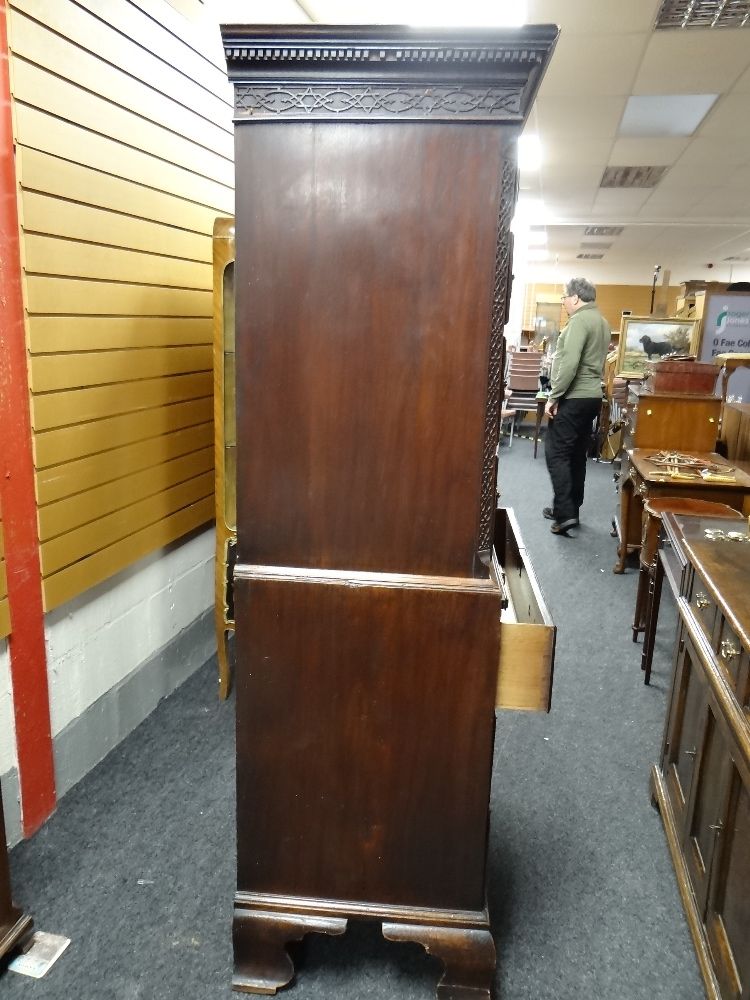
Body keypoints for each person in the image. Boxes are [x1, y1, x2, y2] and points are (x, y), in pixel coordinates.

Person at [543, 277, 610, 535]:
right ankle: (571, 508)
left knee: (556, 452)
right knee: (575, 455)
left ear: (575, 298)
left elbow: (569, 363)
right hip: (592, 397)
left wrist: (554, 396)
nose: (563, 303)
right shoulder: (602, 322)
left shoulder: (579, 321)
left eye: (563, 298)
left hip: (574, 396)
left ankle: (565, 513)